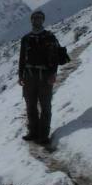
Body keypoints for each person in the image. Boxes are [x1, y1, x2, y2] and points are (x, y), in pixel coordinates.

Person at [18, 10, 62, 143]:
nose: (37, 20)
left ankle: (43, 135)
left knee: (45, 106)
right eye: (35, 18)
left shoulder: (49, 37)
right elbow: (21, 58)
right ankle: (33, 132)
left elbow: (55, 57)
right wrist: (20, 75)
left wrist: (53, 74)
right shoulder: (26, 39)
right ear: (31, 20)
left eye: (39, 18)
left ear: (43, 20)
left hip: (45, 76)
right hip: (29, 76)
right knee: (30, 105)